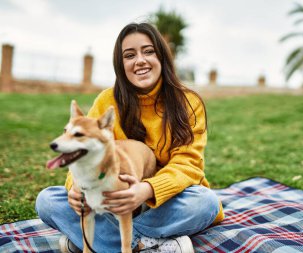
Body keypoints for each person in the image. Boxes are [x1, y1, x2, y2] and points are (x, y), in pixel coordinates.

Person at [35, 22, 224, 253]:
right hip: (111, 199)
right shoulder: (107, 101)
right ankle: (150, 245)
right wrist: (75, 188)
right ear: (120, 63)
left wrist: (146, 189)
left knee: (206, 203)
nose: (140, 60)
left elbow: (188, 164)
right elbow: (82, 154)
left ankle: (93, 241)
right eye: (129, 55)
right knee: (47, 200)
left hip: (165, 202)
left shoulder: (188, 102)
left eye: (148, 51)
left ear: (162, 56)